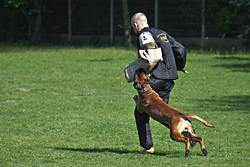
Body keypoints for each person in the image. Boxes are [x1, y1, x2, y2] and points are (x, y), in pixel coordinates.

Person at [131, 12, 185, 153]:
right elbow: (180, 50)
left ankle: (147, 147)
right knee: (163, 113)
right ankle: (187, 128)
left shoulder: (143, 34)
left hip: (155, 78)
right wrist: (177, 67)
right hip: (170, 77)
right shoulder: (162, 33)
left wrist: (143, 73)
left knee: (141, 113)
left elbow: (152, 57)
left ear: (136, 25)